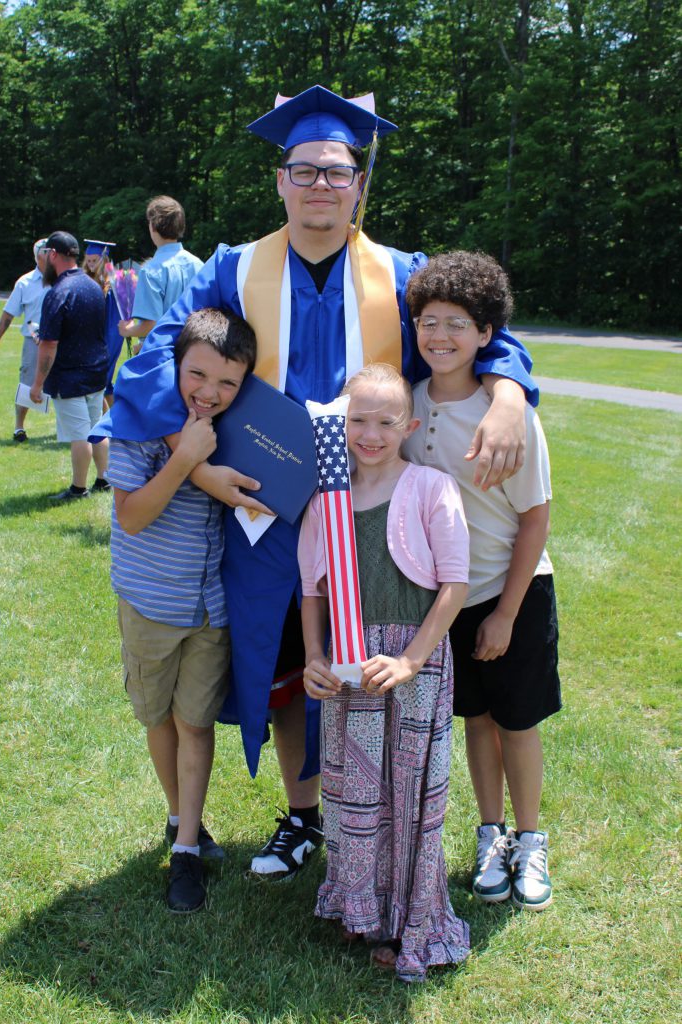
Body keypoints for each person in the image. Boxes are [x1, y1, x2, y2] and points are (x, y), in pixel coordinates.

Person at [103, 85, 538, 881]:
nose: (320, 187)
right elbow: (160, 364)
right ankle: (304, 816)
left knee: (375, 662)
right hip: (263, 516)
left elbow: (480, 331)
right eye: (303, 171)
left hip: (373, 514)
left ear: (359, 185)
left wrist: (508, 392)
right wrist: (194, 462)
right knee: (287, 671)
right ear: (279, 182)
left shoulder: (402, 273)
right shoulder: (234, 270)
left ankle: (374, 820)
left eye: (337, 173)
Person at [299, 363, 470, 982]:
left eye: (385, 421)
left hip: (412, 666)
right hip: (349, 669)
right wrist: (316, 657)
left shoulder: (430, 487)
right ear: (338, 424)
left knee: (409, 794)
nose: (369, 433)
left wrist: (411, 659)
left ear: (410, 425)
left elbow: (454, 585)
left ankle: (413, 918)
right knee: (354, 793)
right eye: (356, 420)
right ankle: (360, 905)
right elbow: (312, 590)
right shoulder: (326, 500)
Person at [403, 251, 560, 912]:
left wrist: (504, 614)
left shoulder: (509, 412)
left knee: (515, 722)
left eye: (456, 324)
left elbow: (534, 518)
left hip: (511, 592)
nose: (438, 336)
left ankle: (529, 839)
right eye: (427, 321)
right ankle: (489, 834)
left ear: (486, 335)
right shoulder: (407, 406)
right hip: (448, 599)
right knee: (474, 718)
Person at [107, 308, 256, 913]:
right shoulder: (143, 423)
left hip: (210, 607)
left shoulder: (236, 426)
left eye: (228, 383)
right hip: (149, 601)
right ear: (174, 365)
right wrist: (185, 458)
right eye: (197, 375)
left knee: (195, 722)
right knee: (158, 718)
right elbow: (132, 516)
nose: (209, 393)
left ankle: (187, 847)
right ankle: (177, 815)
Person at [30, 231, 110, 501]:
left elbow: (49, 344)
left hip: (70, 376)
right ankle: (103, 479)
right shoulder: (93, 287)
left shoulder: (58, 292)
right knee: (97, 429)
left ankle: (78, 488)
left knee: (80, 435)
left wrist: (38, 384)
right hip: (96, 371)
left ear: (53, 255)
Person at [117, 196, 203, 353]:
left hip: (162, 357)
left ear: (153, 227)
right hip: (194, 354)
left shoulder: (151, 271)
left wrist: (127, 330)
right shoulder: (198, 265)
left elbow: (151, 324)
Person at [0, 238, 49, 442]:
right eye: (47, 252)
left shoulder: (64, 278)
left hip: (62, 341)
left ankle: (71, 429)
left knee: (67, 385)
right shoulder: (25, 282)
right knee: (27, 383)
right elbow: (8, 316)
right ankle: (19, 427)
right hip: (33, 342)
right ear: (38, 256)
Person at [82, 239, 124, 413]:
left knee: (99, 381)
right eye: (88, 261)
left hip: (109, 335)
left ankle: (107, 423)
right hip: (92, 337)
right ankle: (115, 421)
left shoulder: (113, 282)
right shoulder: (85, 279)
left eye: (94, 260)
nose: (91, 264)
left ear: (104, 259)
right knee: (101, 382)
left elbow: (115, 315)